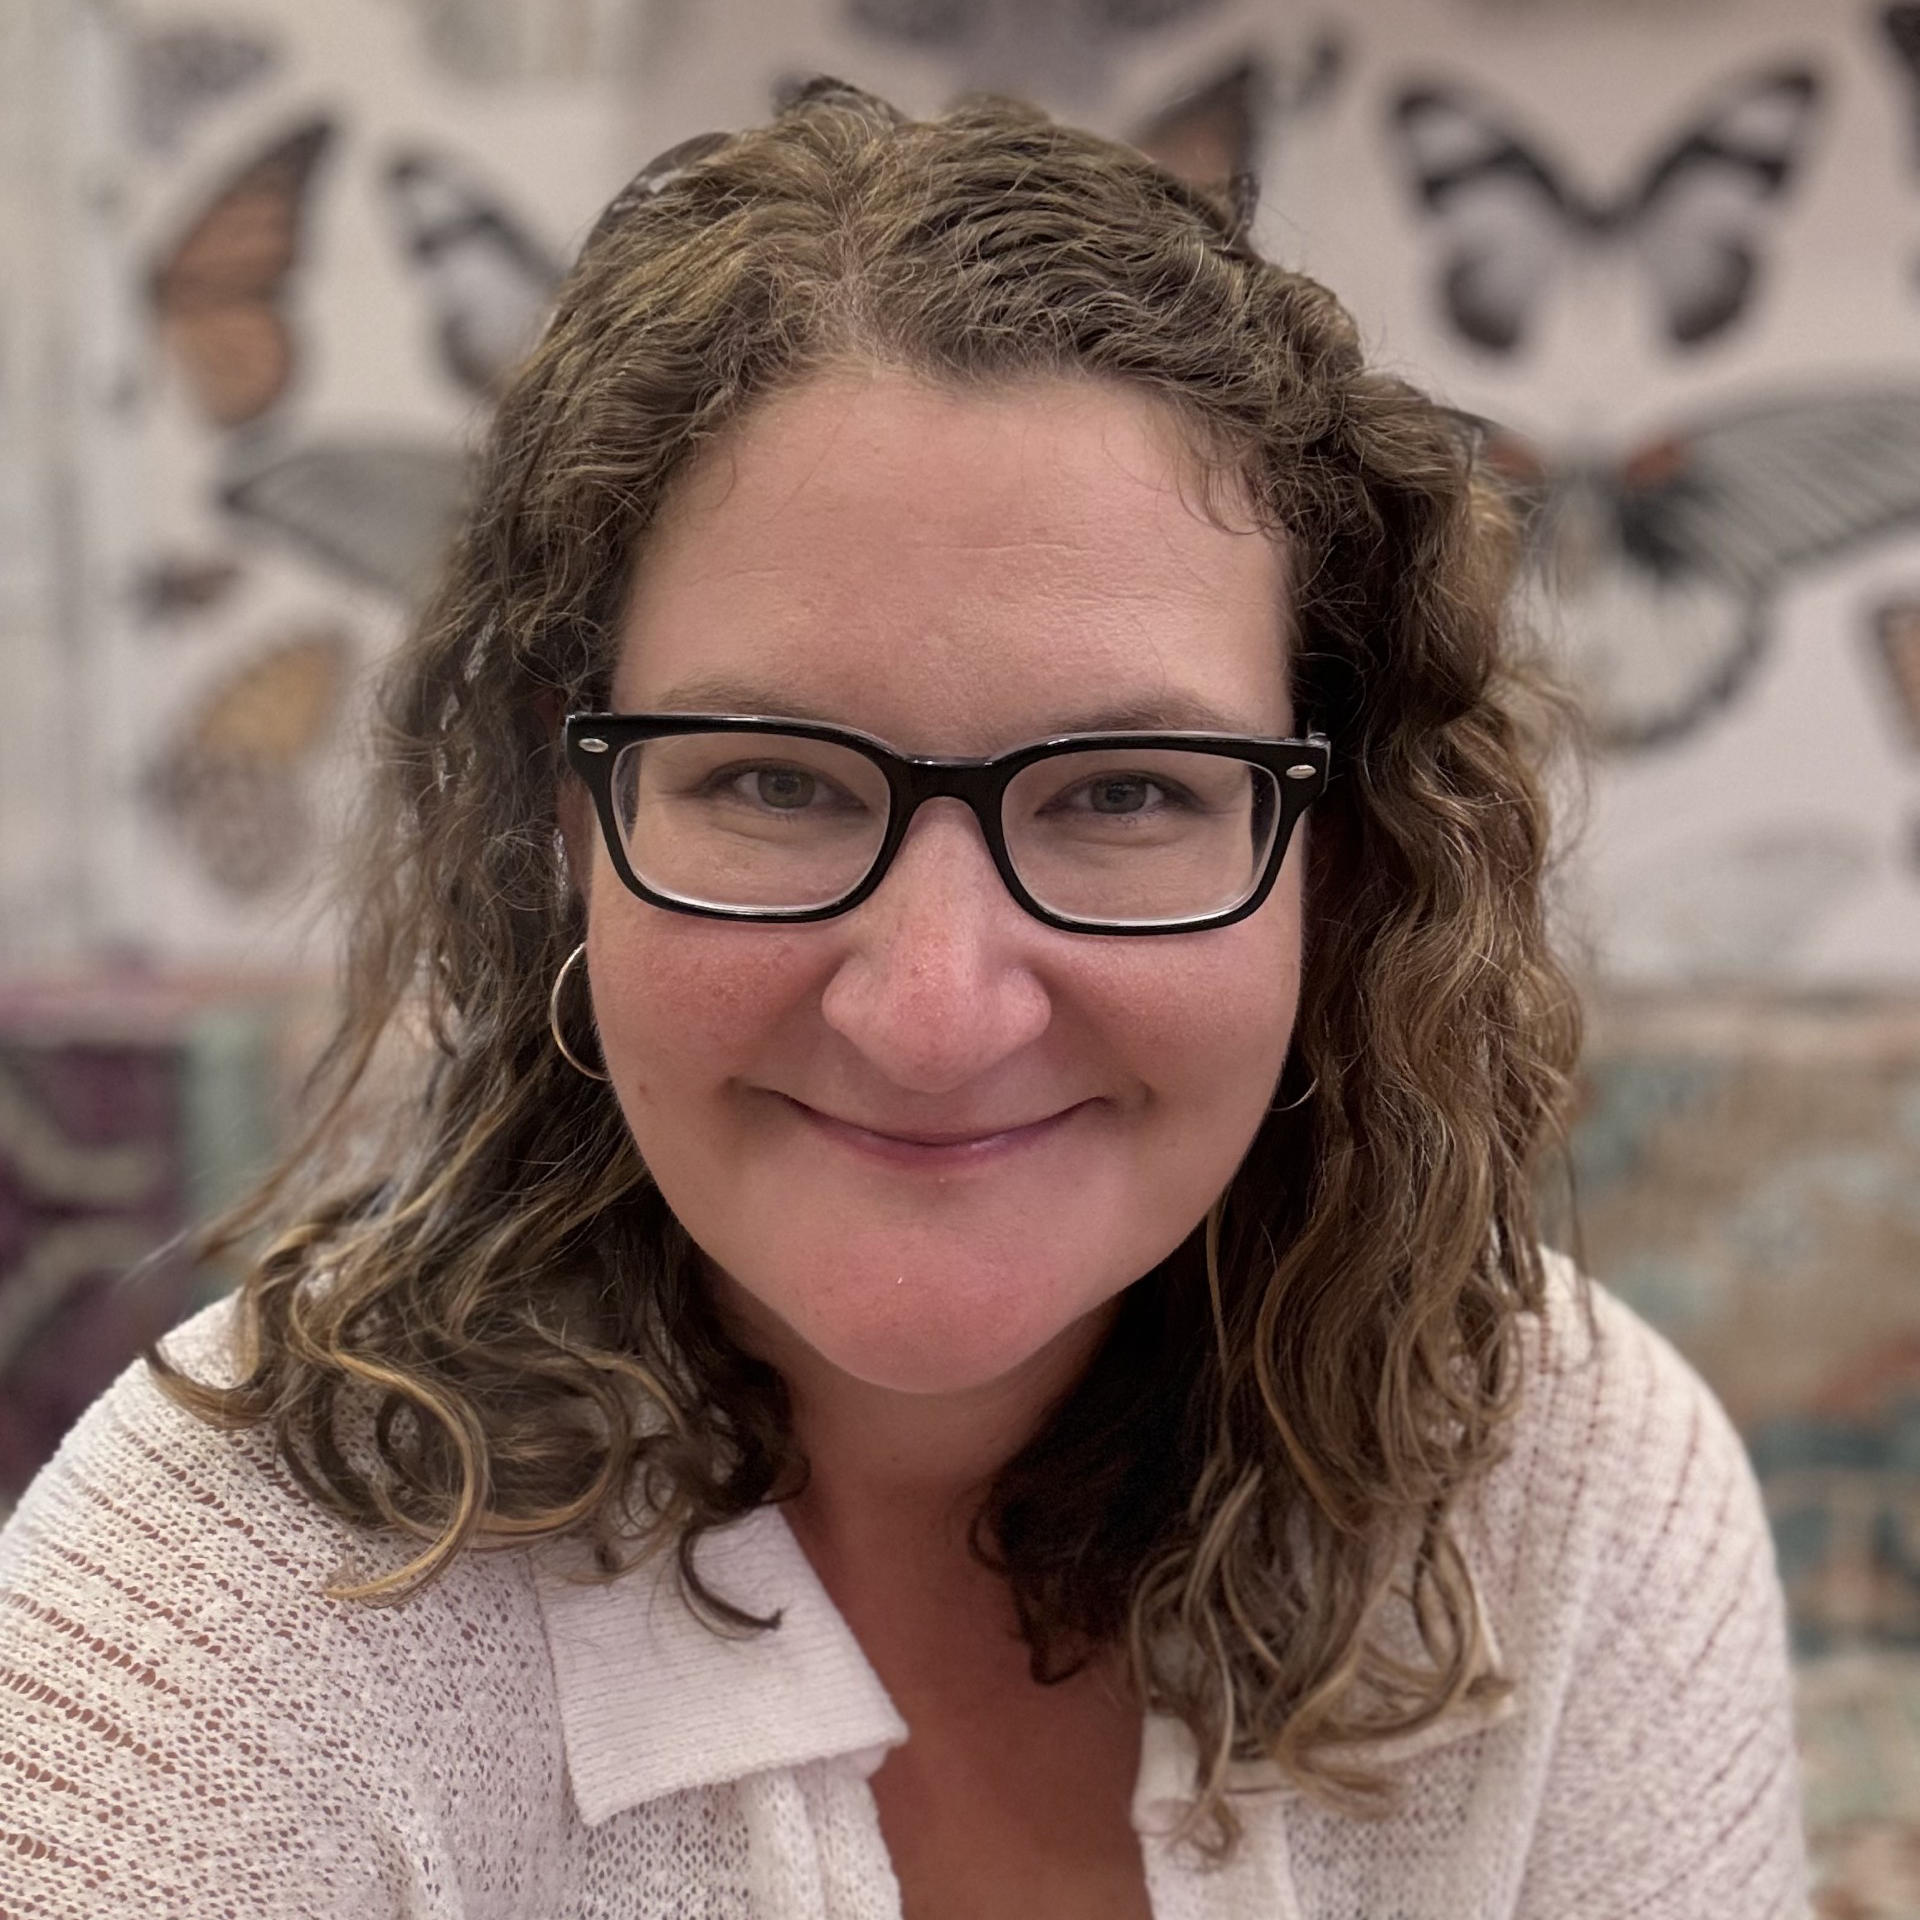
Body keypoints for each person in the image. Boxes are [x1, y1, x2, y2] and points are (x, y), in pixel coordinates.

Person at [0, 82, 1805, 1920]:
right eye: (774, 782)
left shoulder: (1565, 1493)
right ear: (573, 828)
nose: (935, 1014)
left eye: (1124, 795)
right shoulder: (206, 1635)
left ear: (1334, 862)